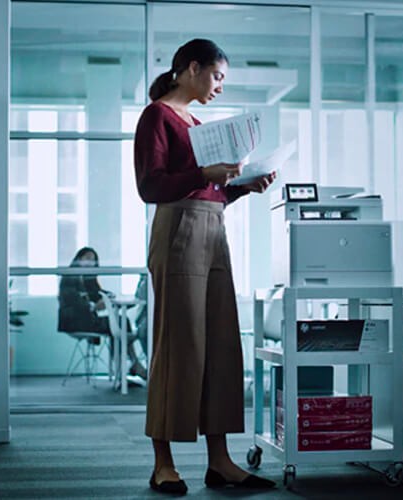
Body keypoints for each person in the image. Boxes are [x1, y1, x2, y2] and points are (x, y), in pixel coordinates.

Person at [134, 38, 277, 495]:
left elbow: (208, 192)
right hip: (178, 233)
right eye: (217, 76)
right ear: (191, 68)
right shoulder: (157, 115)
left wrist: (241, 187)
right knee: (180, 347)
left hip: (213, 230)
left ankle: (220, 461)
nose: (219, 86)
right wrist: (205, 174)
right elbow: (150, 186)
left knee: (219, 345)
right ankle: (164, 463)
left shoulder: (196, 123)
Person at [57, 247, 147, 379]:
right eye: (87, 258)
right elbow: (72, 301)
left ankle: (125, 367)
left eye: (93, 260)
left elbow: (98, 292)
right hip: (75, 322)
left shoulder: (88, 278)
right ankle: (131, 364)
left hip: (86, 319)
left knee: (121, 321)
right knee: (120, 323)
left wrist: (109, 296)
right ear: (79, 259)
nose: (90, 262)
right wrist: (93, 306)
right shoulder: (69, 276)